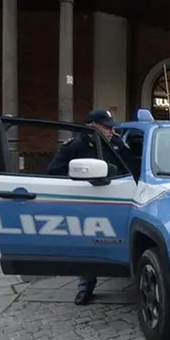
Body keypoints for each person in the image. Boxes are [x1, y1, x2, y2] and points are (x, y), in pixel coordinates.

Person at [46, 109, 133, 305]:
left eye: (112, 127)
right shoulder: (74, 147)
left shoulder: (117, 144)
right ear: (91, 126)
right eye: (106, 126)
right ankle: (86, 284)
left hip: (116, 200)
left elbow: (132, 168)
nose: (111, 131)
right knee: (87, 243)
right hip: (85, 203)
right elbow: (53, 172)